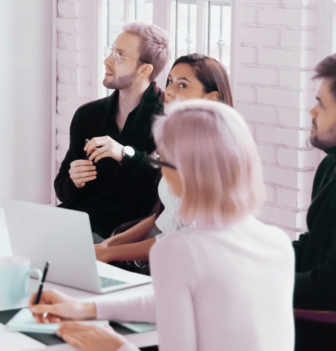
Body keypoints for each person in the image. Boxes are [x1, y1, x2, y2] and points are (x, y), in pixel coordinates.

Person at [31, 100, 295, 351]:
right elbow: (172, 302)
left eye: (162, 160)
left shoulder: (178, 251)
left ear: (186, 171)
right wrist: (86, 309)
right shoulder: (277, 242)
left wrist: (109, 345)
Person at [95, 54, 233, 265]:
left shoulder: (211, 154)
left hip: (194, 265)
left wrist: (110, 253)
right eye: (169, 81)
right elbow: (166, 214)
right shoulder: (182, 141)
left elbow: (184, 239)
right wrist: (110, 244)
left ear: (211, 97)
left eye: (182, 85)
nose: (169, 90)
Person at [54, 22, 171, 239]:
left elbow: (168, 185)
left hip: (129, 236)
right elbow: (62, 189)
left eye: (120, 55)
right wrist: (75, 181)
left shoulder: (171, 119)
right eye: (111, 51)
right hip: (81, 225)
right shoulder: (88, 114)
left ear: (145, 69)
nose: (107, 61)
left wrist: (125, 154)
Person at [291, 55, 336, 348]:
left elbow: (329, 285)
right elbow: (312, 244)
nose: (311, 111)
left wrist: (257, 279)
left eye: (321, 104)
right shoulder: (330, 164)